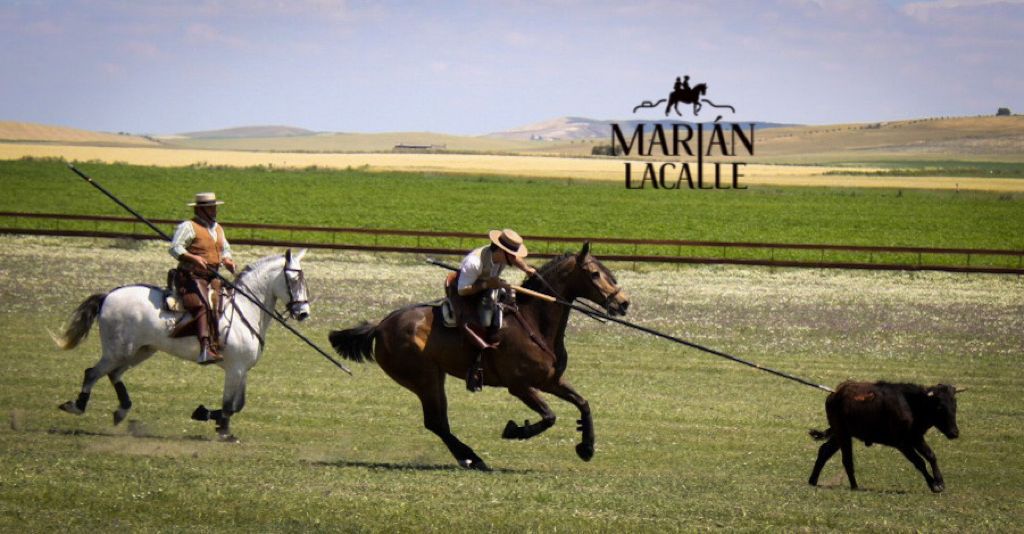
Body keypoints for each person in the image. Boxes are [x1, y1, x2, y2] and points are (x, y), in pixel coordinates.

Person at [454, 229, 536, 392]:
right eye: (511, 254)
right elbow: (462, 290)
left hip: (489, 287)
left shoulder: (502, 257)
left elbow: (515, 259)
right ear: (501, 251)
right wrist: (487, 285)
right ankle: (478, 363)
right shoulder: (475, 262)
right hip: (470, 292)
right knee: (485, 320)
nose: (514, 258)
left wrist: (527, 269)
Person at [169, 192, 237, 365]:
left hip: (212, 276)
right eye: (210, 208)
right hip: (190, 276)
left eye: (214, 207)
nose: (214, 211)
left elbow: (225, 249)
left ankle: (218, 340)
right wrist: (193, 258)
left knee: (223, 301)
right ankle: (205, 348)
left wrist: (227, 260)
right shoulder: (188, 226)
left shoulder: (218, 228)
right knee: (203, 305)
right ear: (201, 210)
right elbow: (175, 248)